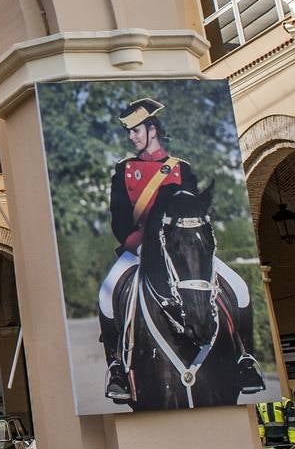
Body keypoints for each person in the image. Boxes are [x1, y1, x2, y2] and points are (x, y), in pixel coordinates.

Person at [98, 97, 263, 401]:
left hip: (182, 246)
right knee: (107, 293)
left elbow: (195, 207)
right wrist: (140, 245)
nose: (132, 137)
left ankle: (245, 358)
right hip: (139, 250)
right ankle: (117, 366)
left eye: (137, 130)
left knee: (239, 287)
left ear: (153, 129)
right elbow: (119, 218)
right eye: (129, 132)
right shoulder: (123, 171)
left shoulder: (181, 168)